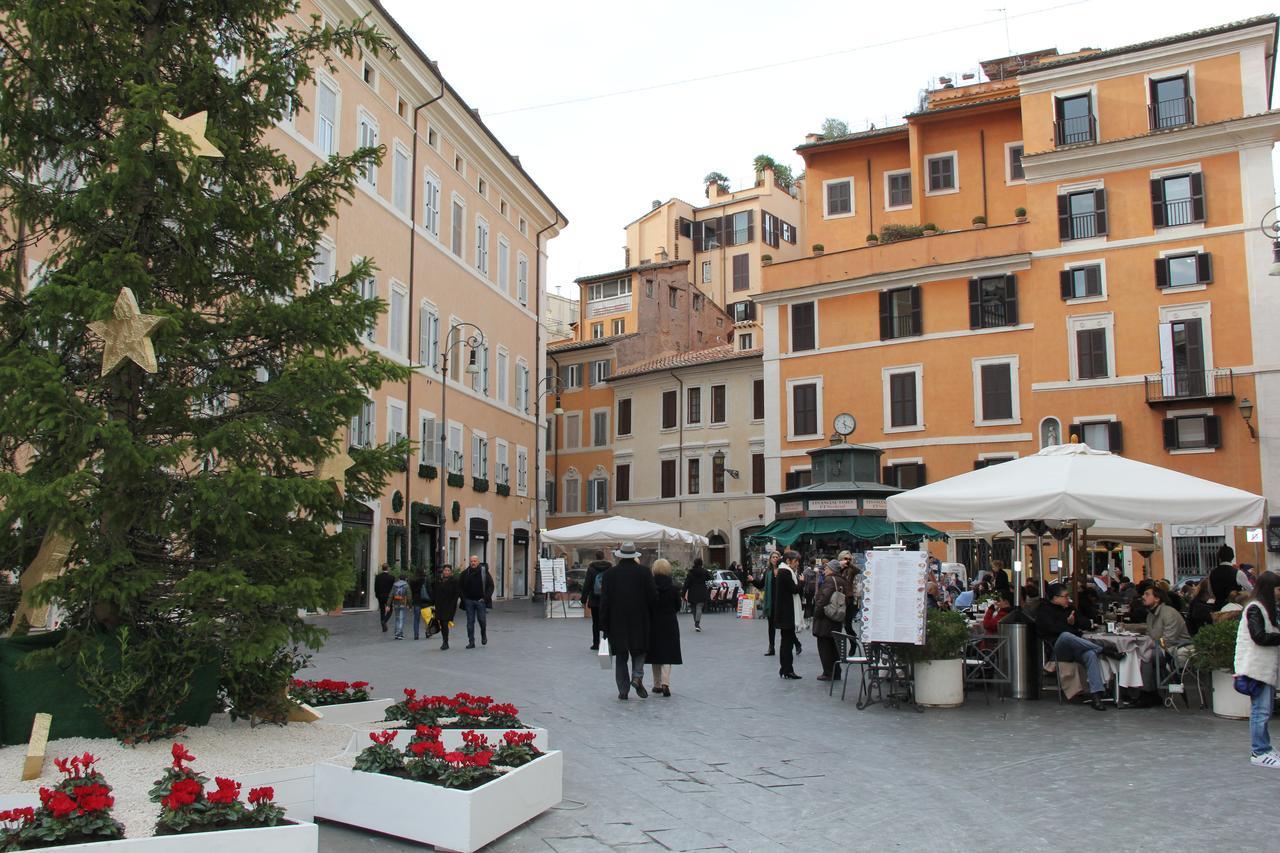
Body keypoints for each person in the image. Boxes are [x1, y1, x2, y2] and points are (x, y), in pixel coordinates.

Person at [1035, 583, 1121, 711]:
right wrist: (1068, 624)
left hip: (1076, 649)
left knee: (1091, 654)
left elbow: (1087, 624)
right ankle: (1102, 649)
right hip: (1057, 649)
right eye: (1065, 596)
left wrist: (1074, 621)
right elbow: (1052, 629)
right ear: (1055, 598)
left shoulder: (1070, 608)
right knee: (1065, 635)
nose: (1067, 599)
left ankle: (1096, 696)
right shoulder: (1044, 611)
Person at [599, 542, 657, 700]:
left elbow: (604, 602)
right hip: (640, 619)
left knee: (621, 656)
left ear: (620, 557)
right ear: (634, 556)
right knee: (639, 651)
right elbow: (653, 597)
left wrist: (604, 624)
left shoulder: (610, 575)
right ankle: (637, 677)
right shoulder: (644, 573)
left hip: (617, 622)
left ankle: (623, 690)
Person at [1233, 571, 1280, 767]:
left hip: (1262, 667)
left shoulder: (1263, 608)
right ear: (1269, 589)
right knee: (1261, 711)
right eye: (1278, 588)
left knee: (1263, 710)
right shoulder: (1255, 609)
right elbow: (1259, 636)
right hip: (1256, 667)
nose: (1279, 592)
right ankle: (1259, 750)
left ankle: (1265, 748)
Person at [648, 558, 682, 697]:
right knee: (667, 654)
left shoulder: (650, 587)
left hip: (653, 622)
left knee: (655, 653)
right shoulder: (674, 588)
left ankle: (656, 684)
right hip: (669, 622)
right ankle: (666, 683)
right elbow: (678, 606)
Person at [813, 561, 847, 682]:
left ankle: (828, 672)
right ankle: (836, 671)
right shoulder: (842, 580)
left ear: (832, 569)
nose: (825, 569)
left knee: (825, 646)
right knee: (834, 646)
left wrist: (817, 612)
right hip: (837, 617)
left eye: (827, 567)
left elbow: (823, 599)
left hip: (826, 618)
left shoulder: (829, 580)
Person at [774, 550, 804, 680]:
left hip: (785, 612)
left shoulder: (783, 571)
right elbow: (794, 589)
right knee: (787, 643)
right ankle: (787, 669)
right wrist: (802, 582)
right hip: (787, 613)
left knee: (786, 642)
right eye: (795, 561)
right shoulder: (786, 572)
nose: (797, 563)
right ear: (788, 561)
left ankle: (786, 669)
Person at [458, 554, 495, 649]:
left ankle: (483, 634)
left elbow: (491, 586)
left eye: (475, 561)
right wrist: (464, 599)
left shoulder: (484, 572)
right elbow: (460, 587)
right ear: (469, 562)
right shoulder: (465, 573)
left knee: (482, 620)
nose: (473, 563)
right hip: (469, 601)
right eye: (471, 561)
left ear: (478, 562)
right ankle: (471, 642)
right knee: (470, 622)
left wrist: (486, 598)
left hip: (480, 601)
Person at [581, 550, 612, 650]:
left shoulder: (591, 569)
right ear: (603, 557)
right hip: (607, 599)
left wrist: (583, 599)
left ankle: (596, 643)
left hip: (594, 599)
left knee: (595, 622)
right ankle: (606, 642)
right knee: (607, 621)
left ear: (596, 557)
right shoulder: (610, 568)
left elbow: (587, 585)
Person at [753, 551, 781, 656]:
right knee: (771, 627)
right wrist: (752, 581)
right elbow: (761, 585)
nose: (775, 559)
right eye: (773, 557)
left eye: (776, 557)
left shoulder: (783, 570)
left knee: (786, 627)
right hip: (771, 603)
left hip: (781, 603)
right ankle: (771, 648)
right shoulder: (767, 572)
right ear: (770, 559)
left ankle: (796, 644)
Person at [431, 564, 459, 650]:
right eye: (445, 570)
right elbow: (434, 592)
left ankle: (445, 642)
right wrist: (433, 604)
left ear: (451, 572)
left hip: (449, 605)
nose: (446, 572)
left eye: (448, 570)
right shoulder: (438, 581)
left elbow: (456, 594)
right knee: (442, 623)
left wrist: (453, 604)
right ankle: (444, 640)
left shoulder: (454, 581)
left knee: (445, 622)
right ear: (443, 571)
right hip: (439, 605)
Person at [1209, 544, 1243, 611]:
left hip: (1217, 609)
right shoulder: (1238, 573)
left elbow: (1210, 592)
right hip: (1234, 610)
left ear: (1219, 558)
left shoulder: (1212, 573)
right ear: (1232, 557)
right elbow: (1250, 590)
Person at [682, 557, 710, 632]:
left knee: (694, 608)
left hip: (692, 593)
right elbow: (709, 577)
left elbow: (686, 584)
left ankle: (696, 623)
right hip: (702, 592)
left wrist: (683, 594)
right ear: (701, 564)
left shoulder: (690, 573)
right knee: (699, 607)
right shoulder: (704, 572)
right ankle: (697, 624)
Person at [410, 567, 431, 640]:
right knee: (426, 618)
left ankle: (416, 634)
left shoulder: (412, 580)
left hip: (416, 601)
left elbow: (411, 591)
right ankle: (428, 632)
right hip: (425, 601)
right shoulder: (425, 579)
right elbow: (429, 590)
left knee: (416, 619)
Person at [389, 572, 411, 640]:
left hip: (396, 603)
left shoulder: (394, 585)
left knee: (397, 618)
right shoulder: (406, 585)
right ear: (405, 579)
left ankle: (396, 633)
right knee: (401, 619)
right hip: (402, 603)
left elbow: (391, 595)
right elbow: (409, 596)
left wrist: (388, 604)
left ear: (399, 578)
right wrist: (409, 605)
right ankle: (400, 634)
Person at [374, 564, 394, 632]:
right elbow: (392, 589)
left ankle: (383, 626)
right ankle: (384, 621)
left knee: (382, 610)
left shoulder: (378, 577)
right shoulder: (391, 577)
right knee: (390, 610)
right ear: (388, 568)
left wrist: (376, 595)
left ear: (382, 568)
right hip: (388, 597)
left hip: (380, 596)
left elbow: (376, 587)